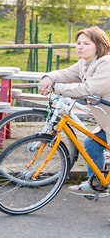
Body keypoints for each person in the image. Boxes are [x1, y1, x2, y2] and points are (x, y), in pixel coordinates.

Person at [37, 26, 110, 195]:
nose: (80, 47)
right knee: (92, 144)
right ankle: (96, 184)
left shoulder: (106, 64)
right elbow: (67, 73)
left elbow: (88, 89)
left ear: (99, 45)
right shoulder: (85, 63)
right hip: (106, 121)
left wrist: (56, 87)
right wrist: (49, 77)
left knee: (91, 144)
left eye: (86, 43)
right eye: (78, 43)